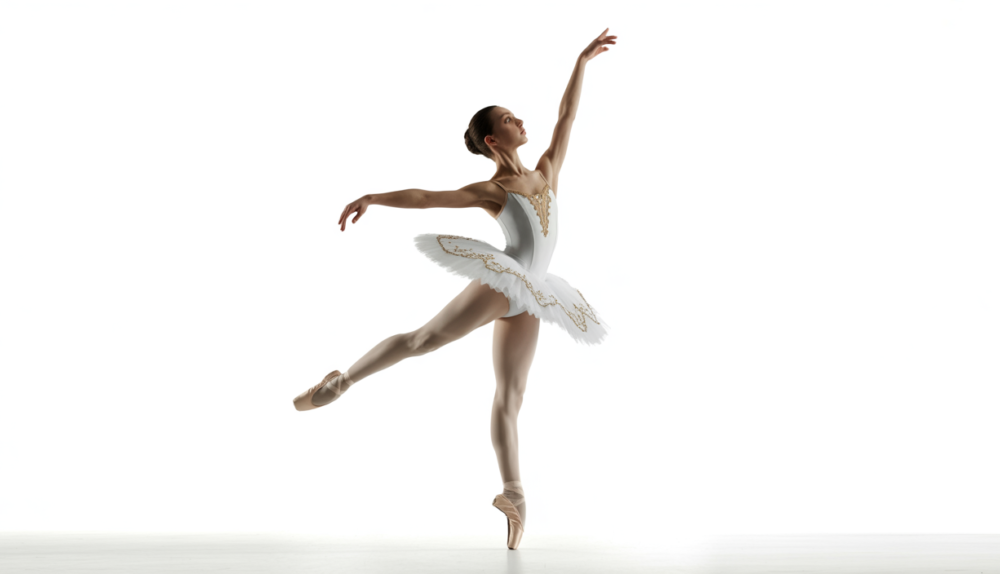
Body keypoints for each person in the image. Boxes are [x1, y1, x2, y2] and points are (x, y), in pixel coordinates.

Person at [293, 28, 617, 550]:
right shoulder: (493, 190)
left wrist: (581, 61)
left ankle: (514, 494)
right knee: (424, 341)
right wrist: (373, 197)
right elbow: (426, 197)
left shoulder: (548, 171)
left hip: (533, 293)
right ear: (493, 140)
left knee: (511, 395)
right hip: (508, 277)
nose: (521, 122)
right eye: (510, 120)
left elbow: (566, 117)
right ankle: (341, 381)